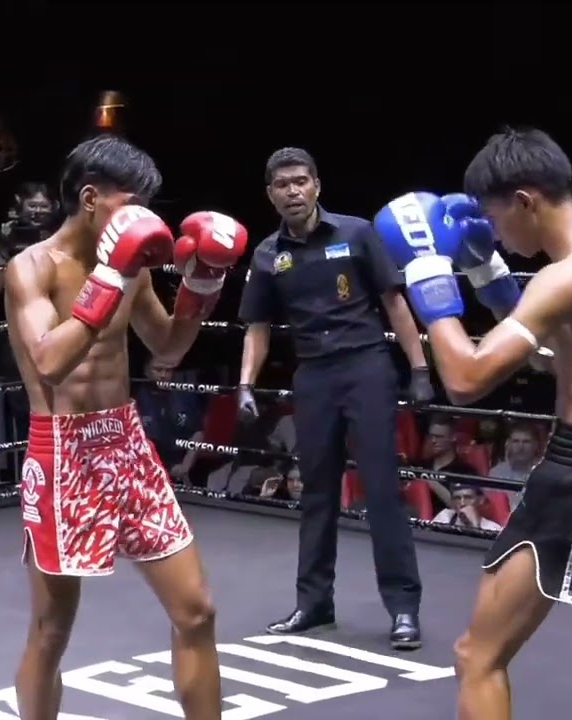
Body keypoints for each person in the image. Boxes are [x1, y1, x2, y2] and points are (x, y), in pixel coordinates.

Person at [373, 127, 572, 719]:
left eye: (494, 217)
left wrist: (429, 271)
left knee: (477, 656)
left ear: (526, 201)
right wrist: (487, 274)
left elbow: (465, 378)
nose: (495, 231)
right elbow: (553, 355)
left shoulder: (567, 278)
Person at [3, 134, 247, 720]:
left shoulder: (132, 269)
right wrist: (109, 277)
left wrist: (202, 284)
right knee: (51, 629)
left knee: (196, 611)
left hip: (126, 442)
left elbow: (167, 346)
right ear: (91, 198)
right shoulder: (31, 268)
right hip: (63, 452)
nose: (144, 217)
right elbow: (50, 361)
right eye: (132, 202)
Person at [238, 147, 428, 649]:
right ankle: (314, 603)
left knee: (382, 488)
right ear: (271, 194)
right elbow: (257, 328)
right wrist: (245, 385)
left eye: (301, 181)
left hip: (366, 366)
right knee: (316, 492)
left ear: (317, 185)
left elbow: (394, 302)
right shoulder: (267, 254)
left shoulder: (357, 233)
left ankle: (403, 608)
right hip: (314, 375)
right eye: (283, 185)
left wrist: (419, 368)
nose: (293, 191)